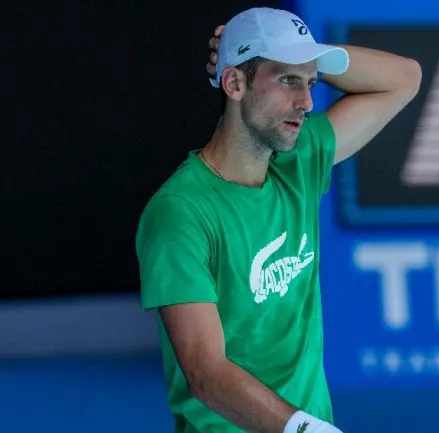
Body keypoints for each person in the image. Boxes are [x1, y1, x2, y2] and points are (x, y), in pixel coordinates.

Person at [135, 6, 421, 433]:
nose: (306, 102)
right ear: (234, 83)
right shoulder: (179, 213)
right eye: (288, 80)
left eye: (311, 82)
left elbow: (405, 78)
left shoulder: (299, 163)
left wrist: (310, 53)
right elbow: (206, 373)